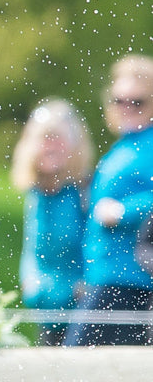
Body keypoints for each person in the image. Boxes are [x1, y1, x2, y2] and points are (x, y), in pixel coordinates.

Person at [64, 56, 153, 347]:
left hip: (131, 279)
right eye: (119, 100)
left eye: (137, 102)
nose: (127, 108)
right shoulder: (125, 144)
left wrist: (125, 211)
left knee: (72, 363)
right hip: (105, 276)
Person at [10, 99, 93, 345]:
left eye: (58, 139)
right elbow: (32, 248)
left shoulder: (85, 189)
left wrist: (86, 283)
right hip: (46, 308)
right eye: (45, 138)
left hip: (80, 309)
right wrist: (29, 281)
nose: (51, 146)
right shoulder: (36, 193)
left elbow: (95, 244)